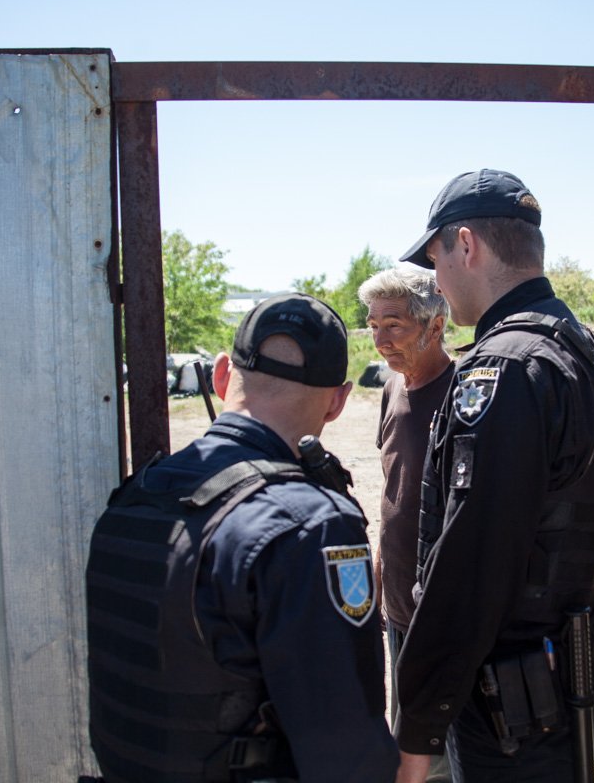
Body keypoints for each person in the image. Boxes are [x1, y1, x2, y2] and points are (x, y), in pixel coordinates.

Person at [85, 293, 399, 783]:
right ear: (338, 402)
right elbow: (348, 756)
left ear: (221, 373)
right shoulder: (311, 525)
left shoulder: (131, 501)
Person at [393, 170, 594, 783]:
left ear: (465, 245)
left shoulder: (506, 367)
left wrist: (416, 733)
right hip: (561, 675)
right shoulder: (578, 346)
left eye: (434, 259)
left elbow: (469, 570)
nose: (436, 283)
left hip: (516, 701)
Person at [357, 267, 455, 783]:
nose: (380, 340)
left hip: (443, 609)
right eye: (373, 326)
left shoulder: (463, 396)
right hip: (397, 598)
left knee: (441, 750)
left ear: (434, 326)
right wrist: (378, 574)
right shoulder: (392, 389)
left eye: (392, 325)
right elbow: (393, 490)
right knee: (407, 736)